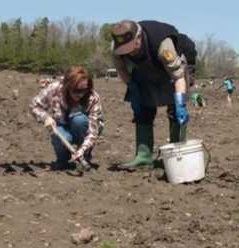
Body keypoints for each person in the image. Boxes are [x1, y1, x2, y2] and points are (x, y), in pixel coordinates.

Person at [111, 20, 195, 169]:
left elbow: (178, 77)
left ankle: (176, 155)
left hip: (174, 69)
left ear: (139, 37)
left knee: (175, 110)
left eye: (132, 47)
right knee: (142, 109)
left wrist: (180, 103)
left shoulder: (163, 45)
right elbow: (122, 71)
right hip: (145, 70)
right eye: (125, 49)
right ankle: (143, 156)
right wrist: (133, 87)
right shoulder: (117, 49)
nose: (129, 52)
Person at [30, 66, 104, 170]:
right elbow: (34, 105)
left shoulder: (93, 97)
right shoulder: (55, 88)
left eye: (84, 90)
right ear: (67, 86)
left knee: (79, 120)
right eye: (76, 91)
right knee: (56, 134)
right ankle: (62, 161)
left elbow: (93, 133)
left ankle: (84, 158)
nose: (81, 95)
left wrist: (82, 151)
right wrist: (46, 117)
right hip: (62, 125)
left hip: (83, 129)